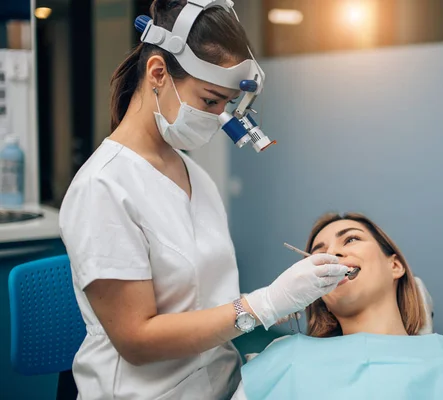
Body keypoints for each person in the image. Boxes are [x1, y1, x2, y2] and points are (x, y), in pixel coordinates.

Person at [58, 1, 349, 399]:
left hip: (222, 383)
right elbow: (137, 341)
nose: (217, 118)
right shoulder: (103, 187)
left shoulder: (197, 178)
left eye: (226, 105)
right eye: (210, 101)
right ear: (158, 73)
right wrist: (264, 305)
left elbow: (207, 300)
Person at [232, 213, 443, 400]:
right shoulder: (277, 363)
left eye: (352, 238)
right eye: (319, 253)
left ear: (394, 265)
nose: (333, 254)